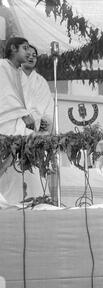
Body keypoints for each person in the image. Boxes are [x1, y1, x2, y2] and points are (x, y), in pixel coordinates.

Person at [0, 37, 47, 204]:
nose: (29, 53)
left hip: (15, 120)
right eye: (25, 48)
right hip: (6, 120)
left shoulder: (16, 71)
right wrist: (23, 114)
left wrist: (28, 115)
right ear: (13, 48)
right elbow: (5, 95)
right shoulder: (2, 66)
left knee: (15, 156)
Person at [21, 44, 53, 133]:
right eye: (27, 55)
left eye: (34, 55)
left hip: (39, 131)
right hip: (16, 127)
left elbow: (49, 105)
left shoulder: (41, 81)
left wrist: (45, 120)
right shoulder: (12, 77)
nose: (31, 57)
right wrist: (23, 116)